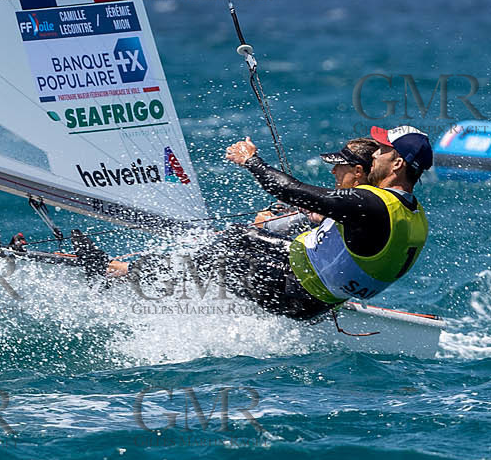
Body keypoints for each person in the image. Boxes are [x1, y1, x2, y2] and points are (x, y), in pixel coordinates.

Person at [106, 125, 432, 320]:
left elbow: (291, 190)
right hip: (312, 288)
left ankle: (126, 274)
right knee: (242, 237)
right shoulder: (413, 213)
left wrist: (252, 161)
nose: (375, 154)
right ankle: (160, 273)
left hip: (297, 293)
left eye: (384, 151)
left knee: (224, 258)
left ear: (398, 164)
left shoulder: (370, 204)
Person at [251, 136, 378, 237]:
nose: (333, 171)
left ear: (358, 171)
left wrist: (250, 160)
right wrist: (310, 210)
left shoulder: (357, 202)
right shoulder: (371, 198)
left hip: (325, 267)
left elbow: (287, 188)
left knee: (241, 234)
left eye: (339, 166)